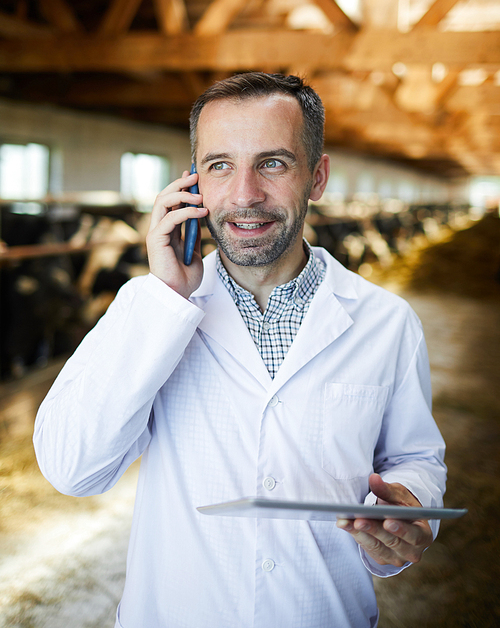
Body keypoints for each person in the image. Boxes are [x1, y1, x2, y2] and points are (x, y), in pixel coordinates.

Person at [34, 73, 446, 628]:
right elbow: (72, 469)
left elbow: (414, 459)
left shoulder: (387, 323)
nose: (245, 194)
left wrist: (404, 514)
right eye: (220, 165)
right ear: (192, 183)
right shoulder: (151, 310)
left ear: (317, 177)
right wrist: (164, 300)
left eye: (273, 163)